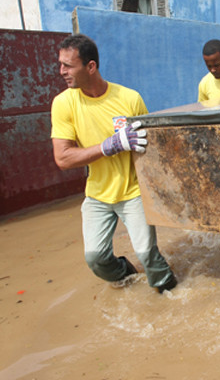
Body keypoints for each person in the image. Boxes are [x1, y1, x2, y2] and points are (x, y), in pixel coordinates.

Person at [50, 34, 177, 293]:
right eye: (61, 64)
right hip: (97, 194)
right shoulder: (63, 103)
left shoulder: (129, 99)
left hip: (132, 192)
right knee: (95, 258)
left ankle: (170, 294)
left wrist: (160, 192)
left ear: (91, 66)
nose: (61, 71)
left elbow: (150, 150)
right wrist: (109, 146)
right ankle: (125, 274)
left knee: (147, 254)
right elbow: (62, 158)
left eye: (68, 65)